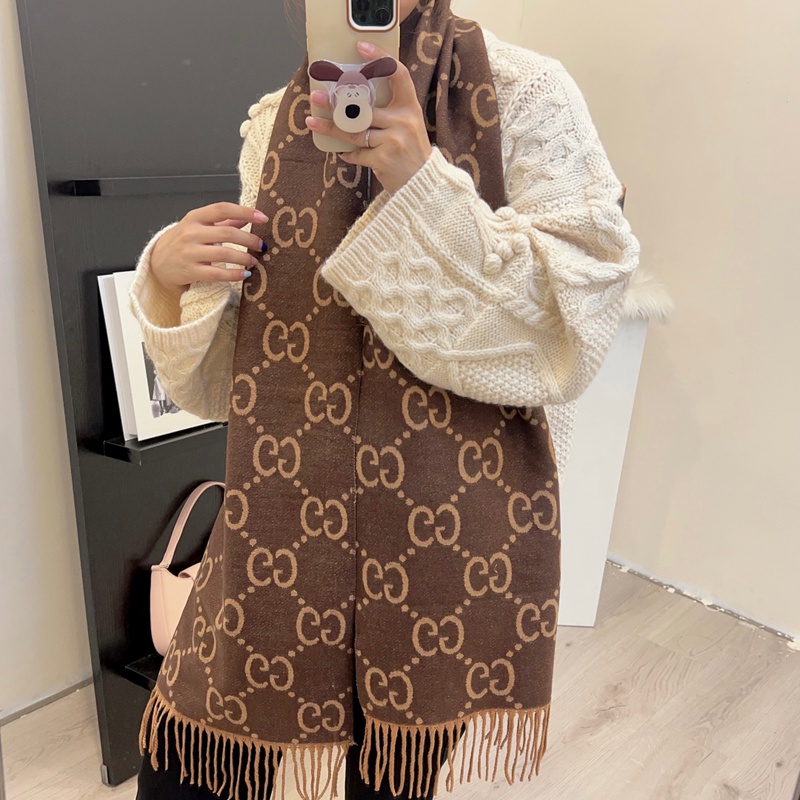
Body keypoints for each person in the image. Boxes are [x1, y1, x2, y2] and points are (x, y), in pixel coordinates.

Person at [128, 1, 641, 799]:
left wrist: (423, 188)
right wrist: (168, 272)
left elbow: (572, 325)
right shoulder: (276, 121)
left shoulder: (527, 92)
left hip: (447, 530)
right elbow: (233, 380)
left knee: (392, 781)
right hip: (278, 513)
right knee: (189, 766)